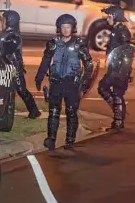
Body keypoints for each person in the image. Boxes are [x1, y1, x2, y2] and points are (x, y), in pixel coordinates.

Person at [35, 14, 94, 150]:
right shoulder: (53, 43)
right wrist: (39, 76)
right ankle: (51, 139)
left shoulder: (79, 44)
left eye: (68, 27)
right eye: (63, 27)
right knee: (54, 111)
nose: (66, 30)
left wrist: (84, 83)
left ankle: (70, 140)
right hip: (56, 82)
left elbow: (89, 64)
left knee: (71, 112)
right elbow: (45, 61)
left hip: (72, 84)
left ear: (73, 28)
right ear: (59, 28)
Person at [0, 10, 41, 119]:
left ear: (9, 21)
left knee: (21, 90)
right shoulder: (6, 34)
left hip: (14, 68)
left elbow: (5, 51)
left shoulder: (13, 36)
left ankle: (34, 111)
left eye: (4, 20)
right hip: (7, 67)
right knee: (6, 90)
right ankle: (4, 111)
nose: (2, 22)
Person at [98, 5, 132, 132]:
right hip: (113, 67)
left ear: (116, 16)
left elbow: (128, 53)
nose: (107, 18)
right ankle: (119, 113)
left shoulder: (123, 31)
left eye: (109, 16)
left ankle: (119, 120)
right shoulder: (115, 30)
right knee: (105, 89)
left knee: (115, 93)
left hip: (119, 70)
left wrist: (124, 72)